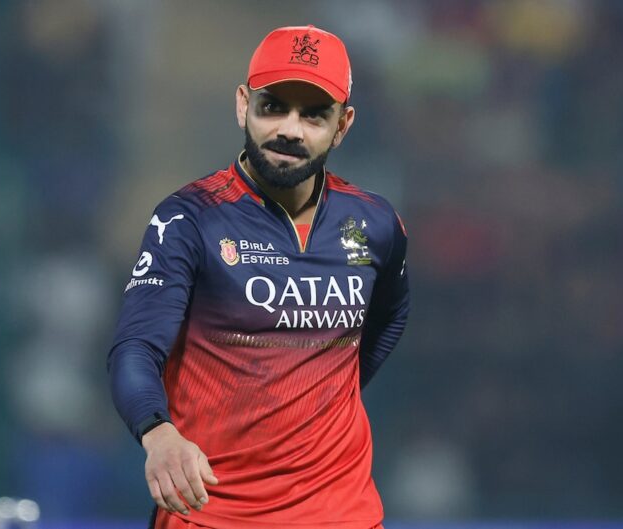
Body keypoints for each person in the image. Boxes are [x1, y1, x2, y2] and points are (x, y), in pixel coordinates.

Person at [108, 25, 409, 529]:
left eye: (314, 114)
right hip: (210, 514)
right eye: (273, 107)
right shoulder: (189, 219)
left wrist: (322, 399)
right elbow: (136, 347)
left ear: (342, 125)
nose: (290, 129)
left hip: (343, 516)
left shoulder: (375, 223)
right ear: (243, 104)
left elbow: (391, 316)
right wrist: (158, 433)